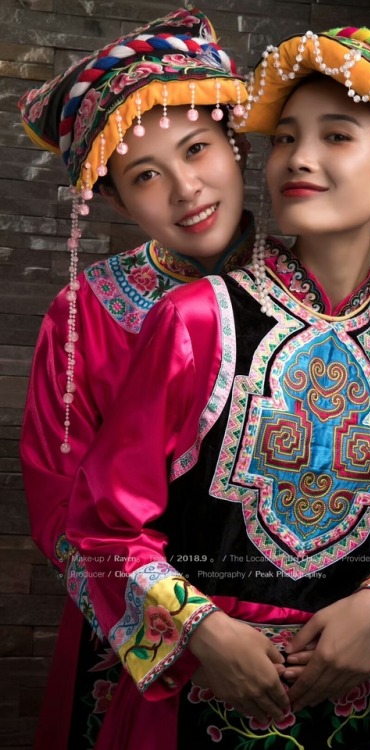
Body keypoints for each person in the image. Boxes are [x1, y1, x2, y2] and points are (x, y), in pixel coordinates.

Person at [63, 25, 370, 749]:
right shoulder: (195, 320)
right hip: (194, 705)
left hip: (350, 711)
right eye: (285, 138)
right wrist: (203, 632)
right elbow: (105, 528)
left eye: (335, 136)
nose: (299, 158)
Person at [18, 7, 252, 749]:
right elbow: (63, 515)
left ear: (234, 145)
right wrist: (191, 627)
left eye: (198, 150)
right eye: (147, 175)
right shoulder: (85, 314)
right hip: (140, 645)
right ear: (116, 199)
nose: (187, 189)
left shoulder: (320, 285)